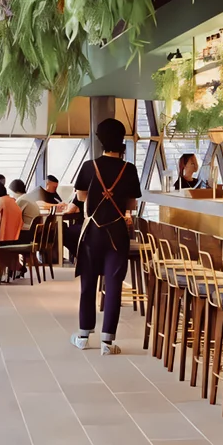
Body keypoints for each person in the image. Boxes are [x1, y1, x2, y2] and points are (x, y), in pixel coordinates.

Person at [72, 118, 141, 354]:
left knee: (88, 284)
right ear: (122, 140)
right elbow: (131, 204)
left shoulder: (89, 166)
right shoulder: (129, 169)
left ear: (100, 140)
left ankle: (83, 336)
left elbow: (81, 196)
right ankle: (107, 342)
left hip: (92, 232)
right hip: (117, 232)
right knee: (113, 286)